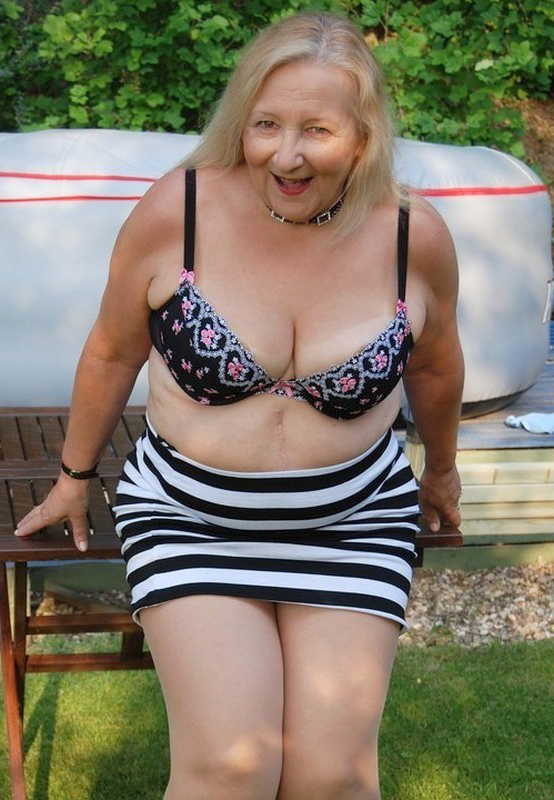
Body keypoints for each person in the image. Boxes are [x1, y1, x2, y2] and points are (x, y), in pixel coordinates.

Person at [15, 11, 463, 800]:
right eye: (266, 125)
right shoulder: (177, 211)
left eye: (317, 130)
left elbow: (434, 365)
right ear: (241, 120)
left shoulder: (410, 236)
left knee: (331, 778)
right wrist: (74, 477)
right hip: (193, 519)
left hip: (352, 523)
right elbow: (112, 350)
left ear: (363, 137)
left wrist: (443, 473)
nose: (285, 156)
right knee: (231, 768)